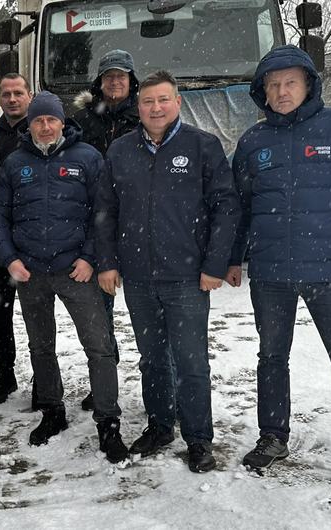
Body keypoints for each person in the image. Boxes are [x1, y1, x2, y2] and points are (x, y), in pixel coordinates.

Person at [227, 45, 331, 501]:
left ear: (307, 85)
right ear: (262, 92)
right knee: (271, 358)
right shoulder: (252, 143)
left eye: (290, 83)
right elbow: (239, 209)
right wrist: (231, 257)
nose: (282, 92)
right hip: (270, 275)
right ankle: (273, 436)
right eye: (273, 85)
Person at [97, 71, 240, 472]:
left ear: (177, 103)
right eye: (147, 102)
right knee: (152, 359)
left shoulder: (202, 146)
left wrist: (214, 265)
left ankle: (198, 438)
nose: (155, 108)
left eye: (163, 100)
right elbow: (105, 212)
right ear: (138, 107)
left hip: (188, 278)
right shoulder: (121, 151)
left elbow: (225, 209)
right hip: (139, 277)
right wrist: (107, 262)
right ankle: (161, 425)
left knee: (192, 361)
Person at [0, 92, 128, 463]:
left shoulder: (88, 158)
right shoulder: (15, 163)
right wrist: (9, 259)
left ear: (62, 122)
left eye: (51, 120)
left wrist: (89, 258)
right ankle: (52, 411)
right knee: (41, 346)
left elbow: (104, 212)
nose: (45, 127)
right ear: (29, 125)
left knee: (98, 347)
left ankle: (108, 422)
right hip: (31, 272)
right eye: (38, 121)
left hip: (76, 271)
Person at [73, 49, 141, 411]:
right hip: (96, 223)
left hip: (138, 223)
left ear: (132, 81)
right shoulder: (82, 119)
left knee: (148, 311)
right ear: (99, 82)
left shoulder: (146, 114)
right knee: (99, 312)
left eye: (122, 76)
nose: (115, 82)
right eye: (109, 76)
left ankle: (159, 384)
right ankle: (104, 378)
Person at [0, 73, 32, 405]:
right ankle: (6, 374)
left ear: (29, 95)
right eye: (6, 94)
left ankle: (45, 376)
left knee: (38, 316)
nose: (12, 99)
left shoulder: (43, 130)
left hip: (35, 239)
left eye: (18, 93)